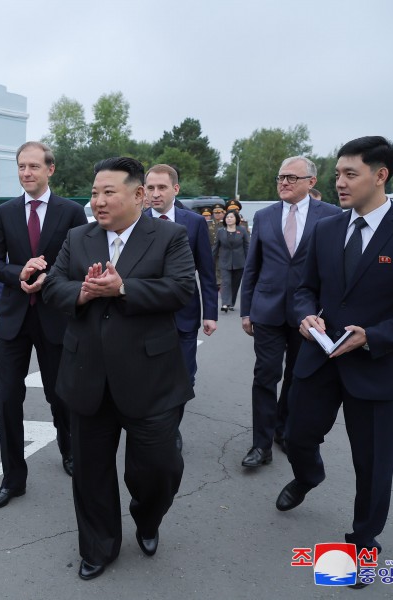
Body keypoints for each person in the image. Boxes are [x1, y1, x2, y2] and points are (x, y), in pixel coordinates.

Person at [277, 137, 393, 574]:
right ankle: (309, 475)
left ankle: (363, 543)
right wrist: (304, 317)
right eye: (337, 174)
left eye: (350, 174)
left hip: (377, 368)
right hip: (320, 358)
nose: (340, 183)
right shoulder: (328, 228)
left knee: (372, 465)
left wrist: (372, 336)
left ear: (381, 175)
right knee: (295, 434)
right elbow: (303, 288)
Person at [41, 157, 195, 580]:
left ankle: (147, 518)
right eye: (94, 193)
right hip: (88, 374)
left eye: (109, 192)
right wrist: (86, 292)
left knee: (160, 469)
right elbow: (54, 287)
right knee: (90, 472)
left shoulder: (169, 236)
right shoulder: (79, 236)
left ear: (139, 195)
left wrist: (123, 286)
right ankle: (98, 546)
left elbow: (181, 288)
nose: (99, 201)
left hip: (151, 378)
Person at [0, 141, 87, 511]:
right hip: (13, 318)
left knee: (60, 396)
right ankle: (13, 478)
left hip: (56, 317)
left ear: (50, 170)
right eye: (22, 167)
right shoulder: (6, 212)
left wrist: (49, 279)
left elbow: (81, 261)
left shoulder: (72, 213)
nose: (27, 173)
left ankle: (69, 449)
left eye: (34, 167)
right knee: (9, 399)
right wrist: (18, 272)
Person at [239, 156, 340, 469]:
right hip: (266, 311)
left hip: (308, 315)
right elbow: (252, 265)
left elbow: (336, 270)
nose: (283, 182)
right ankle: (260, 445)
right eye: (280, 177)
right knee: (265, 376)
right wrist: (246, 310)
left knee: (298, 377)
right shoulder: (266, 215)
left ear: (311, 182)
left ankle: (283, 429)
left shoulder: (332, 216)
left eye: (291, 178)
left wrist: (330, 313)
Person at [144, 164, 218, 451]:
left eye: (161, 187)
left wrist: (209, 313)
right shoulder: (136, 220)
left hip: (185, 316)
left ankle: (170, 429)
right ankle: (152, 426)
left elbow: (207, 272)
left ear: (175, 189)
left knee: (184, 377)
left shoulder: (194, 223)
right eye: (150, 187)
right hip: (146, 316)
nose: (155, 193)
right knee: (149, 377)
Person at [213, 209, 250, 313]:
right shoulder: (221, 231)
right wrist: (210, 259)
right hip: (224, 261)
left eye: (231, 217)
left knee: (235, 283)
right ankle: (225, 303)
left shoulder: (242, 230)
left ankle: (231, 303)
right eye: (227, 217)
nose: (229, 219)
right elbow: (215, 247)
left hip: (239, 262)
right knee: (226, 282)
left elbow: (247, 246)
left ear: (236, 219)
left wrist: (249, 261)